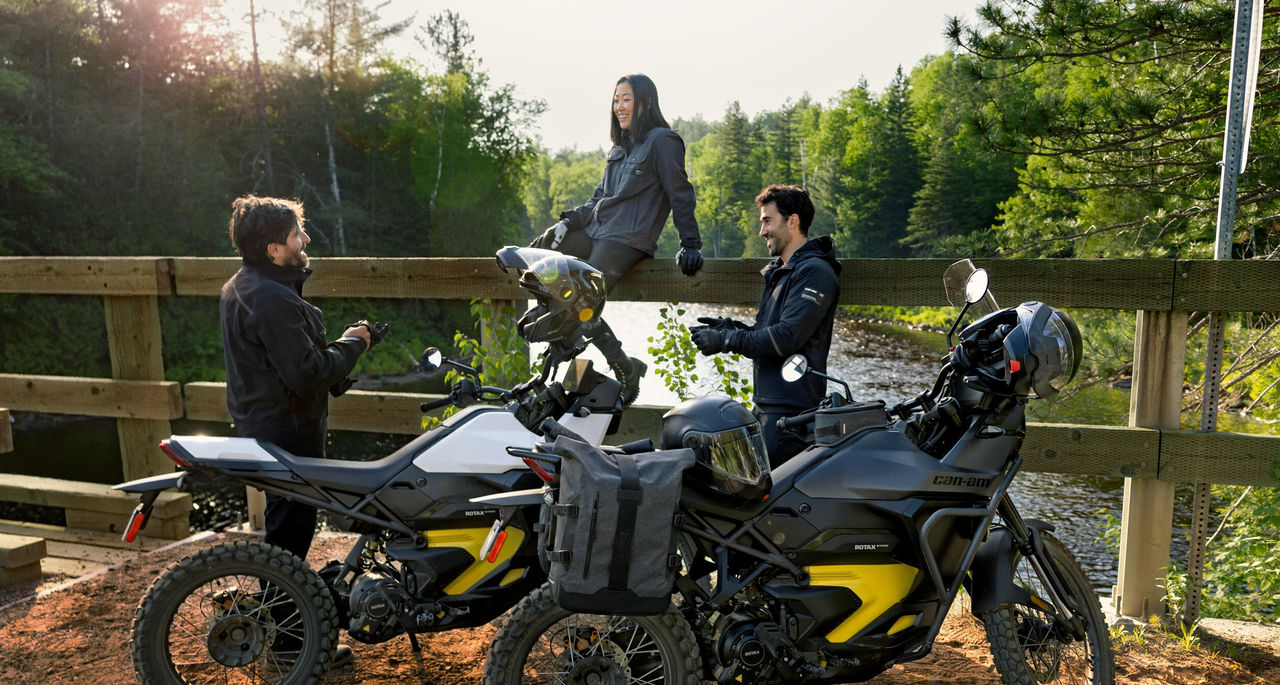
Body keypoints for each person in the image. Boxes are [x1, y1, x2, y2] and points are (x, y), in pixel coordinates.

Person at [219, 195, 371, 667]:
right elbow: (305, 372)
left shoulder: (246, 285)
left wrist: (338, 361)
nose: (305, 240)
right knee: (291, 534)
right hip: (286, 429)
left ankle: (283, 630)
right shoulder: (269, 297)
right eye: (296, 235)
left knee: (287, 528)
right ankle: (288, 649)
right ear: (274, 250)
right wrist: (354, 343)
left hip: (264, 420)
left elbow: (283, 363)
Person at [531, 73, 704, 406]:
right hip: (596, 229)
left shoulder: (663, 141)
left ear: (646, 102)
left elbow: (680, 194)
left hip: (627, 239)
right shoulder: (619, 147)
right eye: (616, 100)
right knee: (540, 262)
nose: (619, 107)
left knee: (583, 297)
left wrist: (691, 243)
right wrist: (568, 223)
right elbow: (599, 198)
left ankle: (605, 364)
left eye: (626, 99)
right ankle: (596, 355)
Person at [689, 185, 840, 468]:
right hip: (769, 406)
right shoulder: (782, 271)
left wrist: (726, 341)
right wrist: (730, 328)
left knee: (767, 499)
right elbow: (769, 330)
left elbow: (785, 338)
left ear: (792, 221)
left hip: (792, 413)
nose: (762, 232)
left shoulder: (815, 272)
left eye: (767, 221)